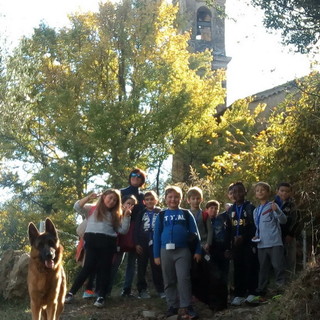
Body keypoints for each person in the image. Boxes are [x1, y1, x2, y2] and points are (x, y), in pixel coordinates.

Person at [65, 189, 133, 308]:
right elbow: (76, 206)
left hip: (108, 243)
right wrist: (88, 197)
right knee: (87, 268)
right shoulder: (92, 209)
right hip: (92, 242)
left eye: (115, 200)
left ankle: (101, 296)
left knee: (104, 269)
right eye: (110, 197)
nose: (111, 201)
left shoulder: (116, 214)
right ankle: (71, 293)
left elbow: (123, 230)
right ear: (104, 196)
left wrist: (127, 217)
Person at [153, 186, 201, 319]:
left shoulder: (186, 213)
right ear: (165, 199)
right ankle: (172, 305)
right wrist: (156, 255)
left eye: (176, 197)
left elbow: (195, 233)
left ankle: (187, 305)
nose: (173, 199)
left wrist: (198, 250)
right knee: (168, 279)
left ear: (180, 199)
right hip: (165, 251)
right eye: (170, 197)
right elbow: (156, 235)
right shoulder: (161, 215)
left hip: (183, 251)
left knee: (184, 278)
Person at [109, 168, 146, 297]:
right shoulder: (121, 193)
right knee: (115, 261)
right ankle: (106, 290)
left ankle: (127, 290)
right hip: (120, 228)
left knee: (132, 262)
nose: (136, 177)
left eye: (139, 176)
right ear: (130, 177)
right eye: (133, 175)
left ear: (142, 180)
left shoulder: (143, 196)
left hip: (136, 230)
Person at [253, 182, 287, 298]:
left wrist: (277, 210)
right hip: (261, 244)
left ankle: (280, 290)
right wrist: (256, 235)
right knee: (262, 269)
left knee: (278, 266)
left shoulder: (273, 206)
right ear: (255, 194)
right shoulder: (255, 211)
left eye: (263, 190)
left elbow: (283, 220)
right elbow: (258, 226)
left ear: (268, 192)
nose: (260, 192)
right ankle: (261, 291)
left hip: (274, 242)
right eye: (258, 190)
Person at [228, 182, 259, 306]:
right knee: (238, 268)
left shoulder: (250, 207)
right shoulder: (231, 209)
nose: (237, 194)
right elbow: (229, 229)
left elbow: (254, 226)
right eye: (234, 192)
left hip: (249, 243)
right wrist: (230, 245)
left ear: (245, 192)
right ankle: (239, 294)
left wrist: (244, 237)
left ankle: (252, 293)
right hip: (236, 245)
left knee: (250, 266)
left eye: (240, 191)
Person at [134, 190, 164, 299]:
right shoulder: (141, 213)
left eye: (152, 199)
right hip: (142, 242)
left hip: (156, 243)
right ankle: (142, 290)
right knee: (141, 267)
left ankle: (161, 290)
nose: (150, 201)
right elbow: (136, 228)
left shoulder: (161, 212)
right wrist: (136, 243)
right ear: (144, 202)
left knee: (157, 266)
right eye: (147, 199)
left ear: (156, 200)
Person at [205, 200, 232, 311]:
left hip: (222, 251)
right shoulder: (203, 220)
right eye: (211, 208)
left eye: (215, 208)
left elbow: (228, 235)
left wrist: (228, 249)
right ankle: (213, 303)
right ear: (206, 209)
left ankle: (223, 303)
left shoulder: (223, 219)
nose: (213, 210)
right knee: (212, 278)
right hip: (209, 252)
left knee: (223, 277)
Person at [274, 182, 298, 278]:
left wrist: (291, 235)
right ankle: (279, 281)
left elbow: (296, 220)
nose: (284, 193)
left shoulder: (292, 205)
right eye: (282, 191)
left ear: (291, 193)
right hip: (276, 236)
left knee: (290, 258)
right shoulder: (273, 204)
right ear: (277, 191)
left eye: (287, 191)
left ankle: (291, 280)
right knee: (278, 259)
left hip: (289, 236)